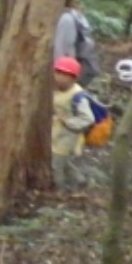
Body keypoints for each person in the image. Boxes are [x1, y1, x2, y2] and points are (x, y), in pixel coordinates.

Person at [50, 57, 99, 188]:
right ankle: (80, 180)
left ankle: (59, 188)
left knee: (56, 165)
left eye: (64, 75)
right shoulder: (54, 89)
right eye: (57, 73)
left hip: (67, 137)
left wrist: (68, 122)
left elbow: (88, 118)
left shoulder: (78, 96)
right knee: (64, 162)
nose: (59, 77)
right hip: (54, 133)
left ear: (73, 78)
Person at [54, 0, 101, 85]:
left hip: (66, 71)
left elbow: (62, 48)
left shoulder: (66, 19)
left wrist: (59, 72)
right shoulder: (73, 16)